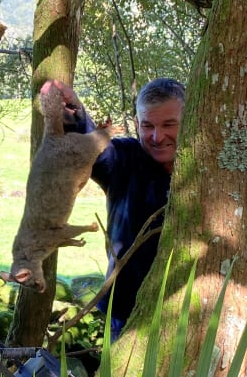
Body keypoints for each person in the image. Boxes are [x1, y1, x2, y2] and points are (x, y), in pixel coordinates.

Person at [43, 78, 185, 338]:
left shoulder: (209, 173)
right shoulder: (125, 159)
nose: (157, 136)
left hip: (188, 314)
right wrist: (73, 116)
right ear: (137, 122)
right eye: (147, 125)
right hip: (126, 315)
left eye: (169, 125)